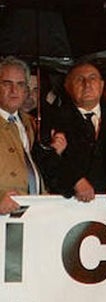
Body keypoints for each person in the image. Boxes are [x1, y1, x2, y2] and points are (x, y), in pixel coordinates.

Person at [40, 62, 106, 201]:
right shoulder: (53, 119)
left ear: (102, 85)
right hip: (69, 204)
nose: (87, 84)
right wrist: (74, 180)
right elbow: (45, 161)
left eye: (92, 78)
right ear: (67, 87)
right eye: (79, 79)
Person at [0, 57, 55, 214]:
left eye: (20, 84)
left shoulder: (30, 122)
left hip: (33, 211)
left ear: (26, 91)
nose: (14, 90)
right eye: (7, 83)